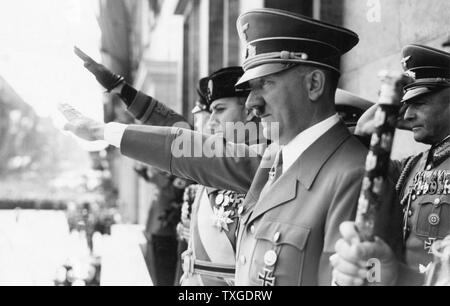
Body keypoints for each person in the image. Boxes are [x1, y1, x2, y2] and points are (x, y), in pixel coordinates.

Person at [61, 8, 402, 286]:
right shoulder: (274, 159)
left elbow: (372, 271)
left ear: (314, 83)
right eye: (249, 89)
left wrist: (376, 274)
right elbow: (186, 148)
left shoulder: (355, 175)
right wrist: (102, 131)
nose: (253, 103)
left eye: (265, 84)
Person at [331, 44, 450, 286]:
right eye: (405, 105)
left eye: (420, 103)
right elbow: (363, 136)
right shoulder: (414, 166)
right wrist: (388, 110)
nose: (406, 115)